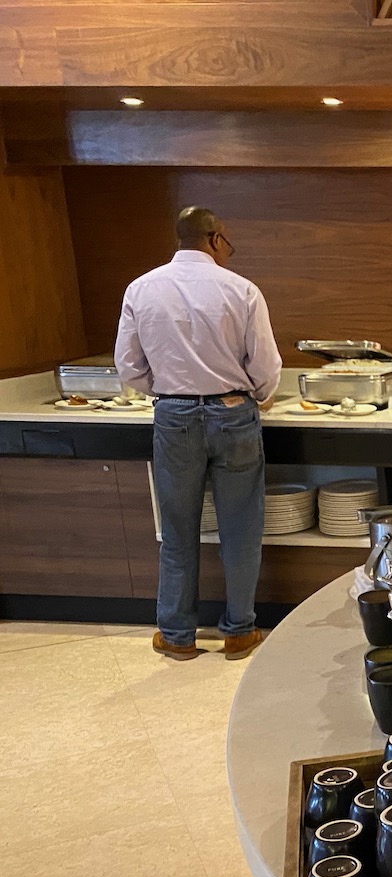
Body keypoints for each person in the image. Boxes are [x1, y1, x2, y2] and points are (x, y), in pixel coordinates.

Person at [115, 206, 282, 661]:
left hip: (173, 417)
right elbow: (265, 368)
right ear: (214, 238)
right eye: (227, 242)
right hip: (233, 413)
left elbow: (129, 368)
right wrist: (255, 394)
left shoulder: (141, 288)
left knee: (178, 531)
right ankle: (239, 631)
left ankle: (176, 635)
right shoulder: (242, 289)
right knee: (240, 529)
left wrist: (172, 395)